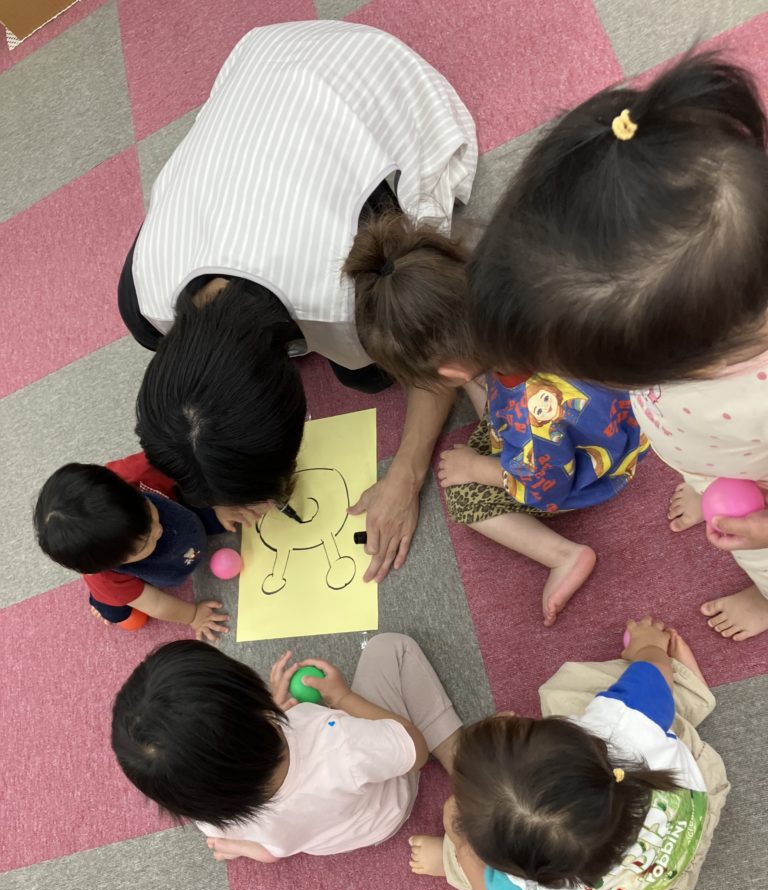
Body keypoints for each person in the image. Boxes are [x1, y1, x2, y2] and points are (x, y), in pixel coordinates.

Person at [122, 20, 477, 583]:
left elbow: (444, 353)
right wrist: (219, 485)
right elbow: (194, 420)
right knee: (145, 327)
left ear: (292, 391)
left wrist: (406, 475)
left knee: (368, 374)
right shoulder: (150, 294)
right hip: (260, 54)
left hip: (360, 69)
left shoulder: (345, 295)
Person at [466, 52, 768, 639]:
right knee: (704, 476)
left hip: (749, 478)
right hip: (708, 451)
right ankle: (701, 478)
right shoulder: (711, 305)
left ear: (688, 361)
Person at [344, 214, 649, 625]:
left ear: (450, 374)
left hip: (602, 462)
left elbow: (543, 487)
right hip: (625, 404)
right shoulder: (530, 279)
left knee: (462, 496)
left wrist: (477, 468)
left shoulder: (527, 417)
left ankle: (563, 555)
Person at [408, 618, 729, 890]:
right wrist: (649, 645)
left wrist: (462, 845)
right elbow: (653, 670)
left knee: (477, 866)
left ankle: (450, 861)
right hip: (698, 803)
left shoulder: (547, 881)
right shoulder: (618, 727)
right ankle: (686, 687)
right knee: (573, 691)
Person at [111, 633, 462, 861]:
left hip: (329, 839)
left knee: (266, 846)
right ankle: (457, 758)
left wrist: (269, 713)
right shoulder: (337, 740)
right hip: (387, 807)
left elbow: (270, 851)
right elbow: (414, 750)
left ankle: (243, 848)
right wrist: (343, 698)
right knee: (390, 648)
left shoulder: (210, 811)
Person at [34, 454, 230, 639]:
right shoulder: (107, 576)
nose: (158, 530)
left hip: (181, 518)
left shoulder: (134, 475)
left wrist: (219, 502)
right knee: (122, 615)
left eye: (150, 513)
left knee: (224, 516)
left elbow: (184, 462)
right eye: (145, 543)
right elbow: (156, 603)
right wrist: (193, 615)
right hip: (126, 580)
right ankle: (101, 603)